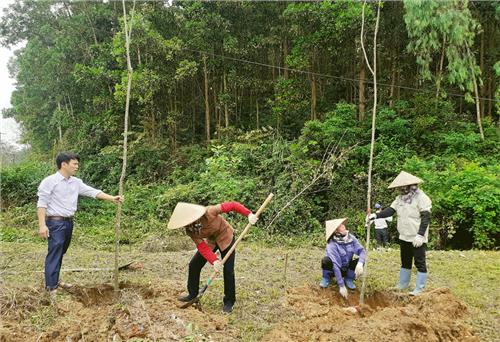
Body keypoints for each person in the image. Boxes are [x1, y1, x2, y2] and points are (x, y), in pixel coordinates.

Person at [37, 152, 123, 295]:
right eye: (74, 163)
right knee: (54, 253)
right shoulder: (50, 181)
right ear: (64, 164)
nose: (77, 166)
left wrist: (112, 198)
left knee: (60, 252)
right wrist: (42, 225)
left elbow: (93, 192)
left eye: (77, 164)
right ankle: (51, 288)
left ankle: (55, 280)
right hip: (55, 222)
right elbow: (42, 204)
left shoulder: (75, 182)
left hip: (69, 223)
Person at [168, 201, 258, 313]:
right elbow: (202, 246)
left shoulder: (210, 211)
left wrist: (248, 214)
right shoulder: (190, 230)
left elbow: (233, 205)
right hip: (211, 241)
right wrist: (214, 260)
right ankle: (193, 294)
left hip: (225, 237)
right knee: (194, 265)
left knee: (228, 270)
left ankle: (229, 302)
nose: (187, 224)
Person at [368, 171, 431, 296]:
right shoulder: (399, 199)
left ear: (412, 185)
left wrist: (420, 235)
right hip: (404, 235)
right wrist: (375, 215)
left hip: (417, 236)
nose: (402, 190)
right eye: (400, 188)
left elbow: (426, 217)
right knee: (405, 260)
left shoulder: (422, 198)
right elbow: (390, 211)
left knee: (419, 262)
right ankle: (403, 284)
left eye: (404, 187)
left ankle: (419, 287)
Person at [319, 218, 366, 299]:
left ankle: (349, 278)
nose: (344, 226)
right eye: (340, 226)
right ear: (336, 231)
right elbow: (335, 265)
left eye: (343, 224)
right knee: (326, 260)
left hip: (346, 268)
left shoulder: (351, 238)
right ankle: (326, 278)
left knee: (357, 259)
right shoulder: (332, 244)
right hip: (335, 270)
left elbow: (361, 250)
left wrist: (360, 263)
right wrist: (341, 285)